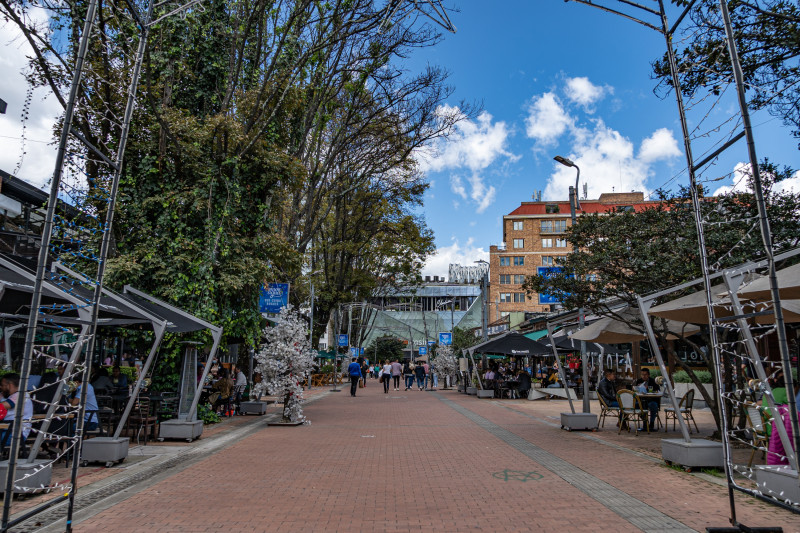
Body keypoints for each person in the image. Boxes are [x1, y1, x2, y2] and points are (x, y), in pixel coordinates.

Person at [0, 373, 34, 448]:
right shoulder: (5, 394)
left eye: (2, 385)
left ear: (10, 385)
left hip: (16, 434)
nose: (1, 387)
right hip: (4, 430)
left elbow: (4, 405)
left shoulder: (22, 395)